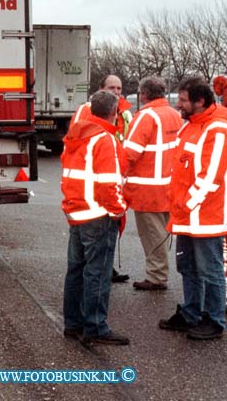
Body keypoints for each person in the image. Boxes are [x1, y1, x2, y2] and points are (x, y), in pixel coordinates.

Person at [159, 77, 227, 340]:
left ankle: (214, 319)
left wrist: (185, 205)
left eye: (184, 99)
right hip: (187, 214)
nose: (179, 103)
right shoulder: (192, 125)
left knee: (210, 270)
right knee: (187, 267)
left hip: (205, 216)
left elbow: (211, 176)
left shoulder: (217, 128)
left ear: (200, 102)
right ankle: (191, 313)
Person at [61, 90, 129, 345]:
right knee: (97, 274)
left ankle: (73, 324)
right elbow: (108, 185)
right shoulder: (105, 140)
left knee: (76, 271)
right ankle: (96, 327)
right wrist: (119, 210)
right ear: (113, 113)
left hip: (77, 211)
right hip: (98, 215)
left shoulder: (76, 136)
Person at [122, 77, 182, 290]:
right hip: (170, 185)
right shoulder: (175, 115)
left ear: (143, 94)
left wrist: (116, 175)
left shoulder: (145, 116)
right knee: (162, 233)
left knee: (152, 235)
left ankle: (157, 276)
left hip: (147, 189)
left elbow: (130, 153)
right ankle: (159, 273)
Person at [72, 74, 132, 283]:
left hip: (113, 173)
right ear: (101, 89)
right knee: (90, 261)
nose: (116, 91)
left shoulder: (125, 114)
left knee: (86, 257)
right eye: (112, 87)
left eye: (119, 88)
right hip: (95, 183)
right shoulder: (87, 111)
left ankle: (108, 267)